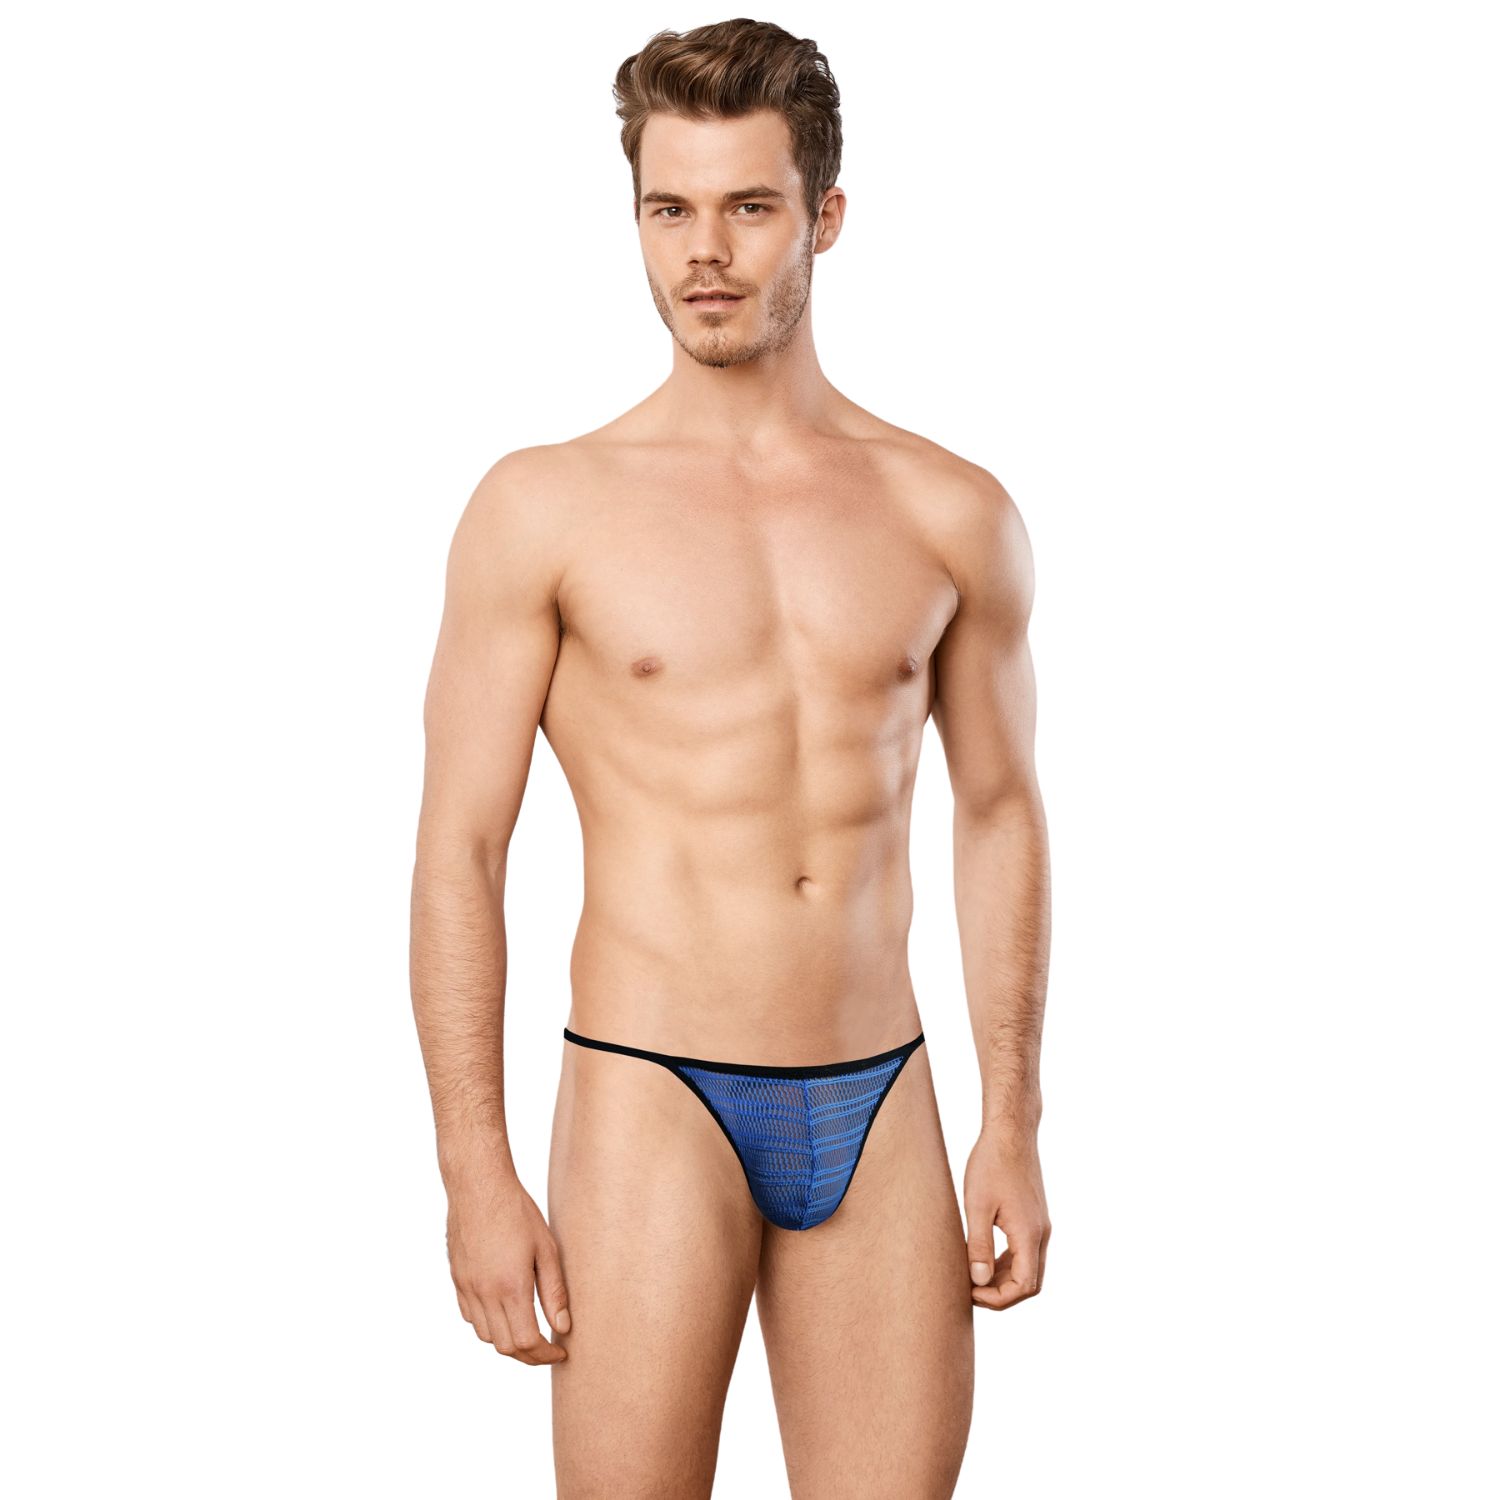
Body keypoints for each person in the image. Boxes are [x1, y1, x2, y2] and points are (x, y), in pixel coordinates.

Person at [409, 17, 1052, 1497]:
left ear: (825, 216)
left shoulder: (950, 512)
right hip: (651, 1088)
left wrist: (1012, 1120)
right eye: (669, 208)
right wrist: (473, 1169)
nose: (705, 251)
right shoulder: (543, 509)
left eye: (750, 206)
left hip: (880, 1091)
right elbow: (461, 845)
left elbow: (1001, 812)